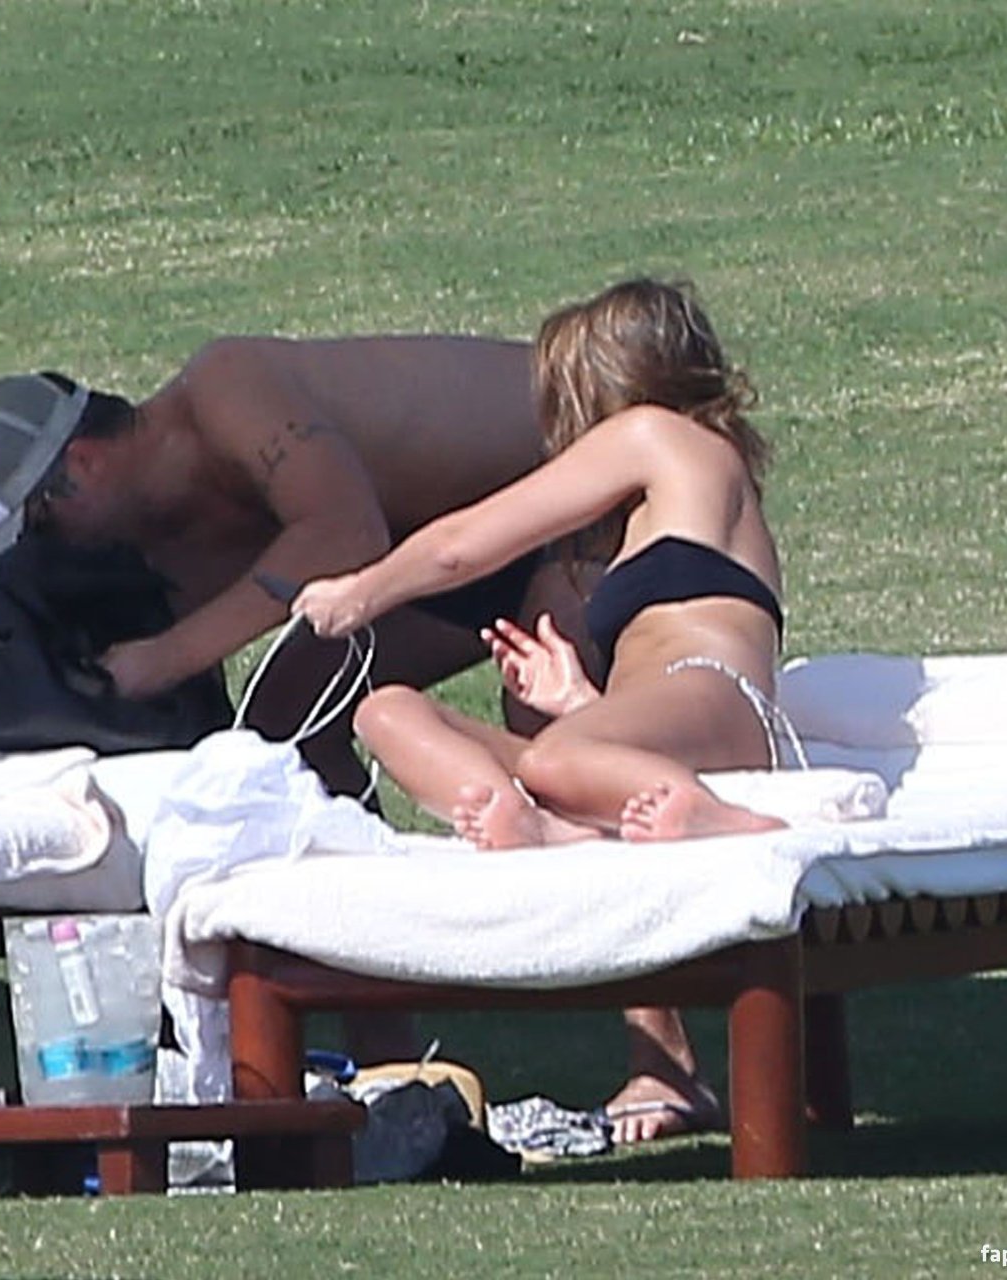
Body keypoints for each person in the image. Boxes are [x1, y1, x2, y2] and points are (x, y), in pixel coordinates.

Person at [0, 334, 599, 1061]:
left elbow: (345, 531)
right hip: (443, 546)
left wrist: (165, 658)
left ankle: (660, 1056)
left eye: (41, 524)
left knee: (556, 746)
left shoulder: (227, 388)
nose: (47, 549)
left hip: (576, 480)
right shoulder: (163, 528)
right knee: (288, 721)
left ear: (84, 464)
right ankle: (384, 1036)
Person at [292, 276, 786, 1141]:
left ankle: (725, 824)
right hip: (661, 721)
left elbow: (464, 545)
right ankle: (556, 836)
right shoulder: (677, 488)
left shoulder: (654, 434)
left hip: (719, 696)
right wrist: (582, 702)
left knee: (558, 758)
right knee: (387, 713)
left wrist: (358, 594)